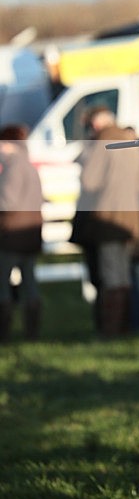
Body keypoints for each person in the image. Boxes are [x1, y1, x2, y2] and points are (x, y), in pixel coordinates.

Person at [72, 110, 139, 336]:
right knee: (123, 275)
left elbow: (89, 181)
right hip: (130, 218)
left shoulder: (102, 142)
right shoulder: (131, 143)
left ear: (95, 124)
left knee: (110, 276)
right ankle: (126, 325)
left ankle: (111, 329)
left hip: (106, 218)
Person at [0, 124, 43, 342]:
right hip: (31, 234)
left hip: (12, 235)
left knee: (3, 285)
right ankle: (32, 332)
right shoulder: (28, 165)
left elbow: (7, 202)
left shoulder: (13, 167)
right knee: (29, 284)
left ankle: (4, 333)